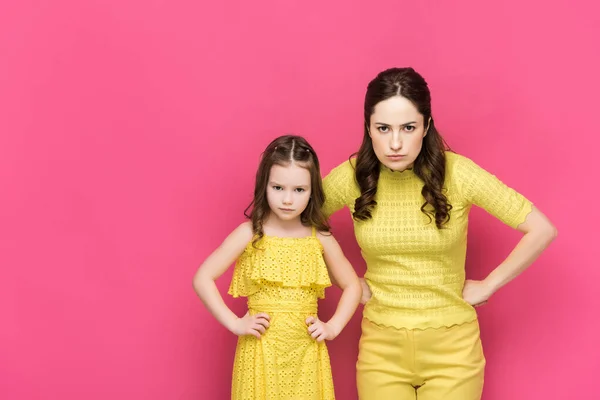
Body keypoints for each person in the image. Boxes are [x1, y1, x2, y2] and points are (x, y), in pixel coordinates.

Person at [322, 67, 557, 400]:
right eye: (383, 128)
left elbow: (541, 229)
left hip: (454, 351)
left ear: (426, 126)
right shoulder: (353, 175)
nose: (395, 143)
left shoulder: (458, 173)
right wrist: (346, 281)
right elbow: (298, 224)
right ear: (368, 128)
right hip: (380, 349)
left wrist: (490, 284)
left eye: (408, 128)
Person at [193, 134, 361, 400]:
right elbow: (202, 277)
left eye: (299, 190)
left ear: (312, 190)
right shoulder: (250, 233)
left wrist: (333, 327)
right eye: (278, 188)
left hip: (306, 353)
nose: (287, 200)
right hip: (260, 352)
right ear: (264, 185)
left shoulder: (319, 237)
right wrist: (236, 323)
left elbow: (352, 285)